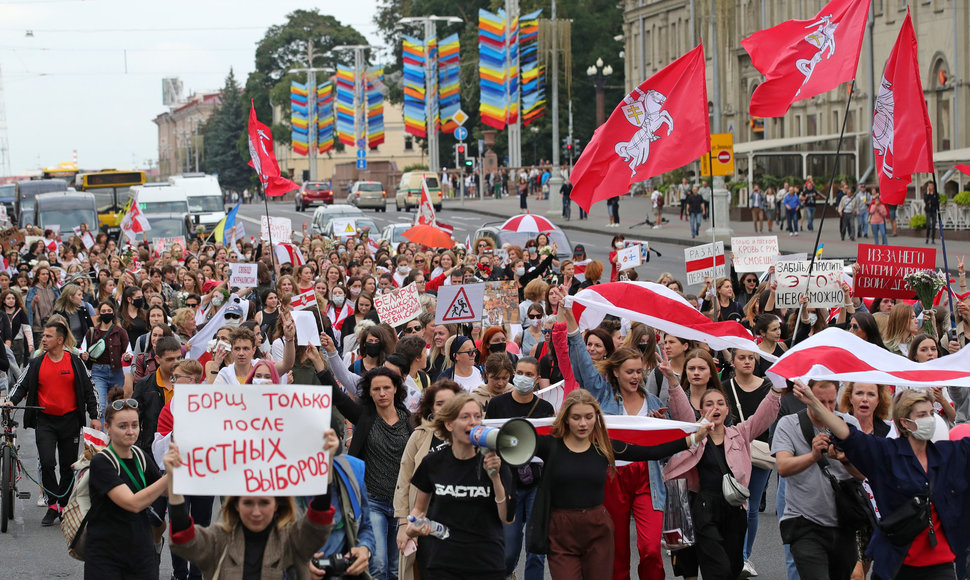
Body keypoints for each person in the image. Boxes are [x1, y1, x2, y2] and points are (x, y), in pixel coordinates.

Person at [794, 384, 970, 580]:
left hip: (940, 564)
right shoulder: (886, 453)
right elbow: (848, 434)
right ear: (905, 422)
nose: (930, 420)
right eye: (922, 415)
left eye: (931, 413)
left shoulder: (947, 454)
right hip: (895, 563)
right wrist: (814, 402)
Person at [661, 355, 784, 580]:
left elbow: (763, 416)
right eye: (709, 404)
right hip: (704, 507)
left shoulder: (739, 433)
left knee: (733, 568)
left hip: (735, 509)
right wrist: (671, 379)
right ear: (701, 409)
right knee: (716, 568)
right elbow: (681, 410)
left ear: (727, 410)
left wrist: (776, 389)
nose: (715, 408)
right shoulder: (696, 435)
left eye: (720, 404)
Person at [166, 431, 339, 579]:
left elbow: (319, 518)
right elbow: (184, 538)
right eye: (248, 503)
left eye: (264, 503)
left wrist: (326, 461)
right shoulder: (218, 541)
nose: (256, 512)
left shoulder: (292, 540)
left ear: (277, 504)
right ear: (235, 505)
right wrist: (174, 479)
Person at [403, 393, 514, 579]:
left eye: (477, 416)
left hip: (487, 563)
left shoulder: (496, 461)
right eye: (465, 417)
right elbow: (418, 510)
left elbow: (507, 517)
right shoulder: (433, 463)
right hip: (443, 563)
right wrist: (412, 527)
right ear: (449, 424)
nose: (473, 422)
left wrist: (495, 479)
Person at [6, 317, 101, 527]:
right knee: (47, 462)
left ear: (60, 340)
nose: (44, 339)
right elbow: (21, 386)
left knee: (69, 467)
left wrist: (94, 416)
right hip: (45, 421)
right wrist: (10, 401)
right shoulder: (37, 362)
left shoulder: (75, 362)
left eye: (48, 336)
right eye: (43, 336)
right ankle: (52, 504)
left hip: (70, 420)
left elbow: (89, 390)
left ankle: (63, 504)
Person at [773, 380, 862, 580]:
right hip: (805, 523)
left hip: (843, 522)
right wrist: (813, 456)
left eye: (832, 402)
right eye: (820, 402)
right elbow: (783, 467)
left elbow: (863, 474)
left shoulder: (849, 424)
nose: (827, 408)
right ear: (808, 398)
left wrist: (845, 459)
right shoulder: (789, 424)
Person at [332, 366, 413, 580]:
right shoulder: (365, 417)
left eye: (387, 387)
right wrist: (322, 363)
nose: (382, 393)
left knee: (397, 569)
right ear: (369, 392)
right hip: (373, 501)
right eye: (376, 389)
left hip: (401, 505)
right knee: (377, 565)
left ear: (396, 389)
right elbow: (338, 398)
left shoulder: (410, 421)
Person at [84, 388, 171, 579]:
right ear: (108, 427)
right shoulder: (102, 462)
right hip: (106, 556)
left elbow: (165, 491)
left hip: (141, 552)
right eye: (122, 426)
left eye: (135, 425)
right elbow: (132, 503)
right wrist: (169, 476)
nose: (131, 432)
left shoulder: (141, 456)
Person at [394, 380, 461, 580]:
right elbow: (404, 480)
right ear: (431, 407)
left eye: (451, 402)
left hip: (460, 524)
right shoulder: (419, 436)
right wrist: (403, 524)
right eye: (440, 403)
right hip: (424, 524)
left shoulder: (470, 436)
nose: (446, 408)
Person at [85, 301, 130, 423]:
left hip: (116, 372)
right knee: (101, 405)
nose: (106, 314)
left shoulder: (120, 332)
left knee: (115, 406)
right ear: (99, 314)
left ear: (113, 313)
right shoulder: (92, 332)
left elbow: (128, 350)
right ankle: (101, 437)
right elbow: (83, 350)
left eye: (109, 311)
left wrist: (126, 356)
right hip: (98, 371)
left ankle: (113, 435)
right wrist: (84, 355)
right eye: (103, 311)